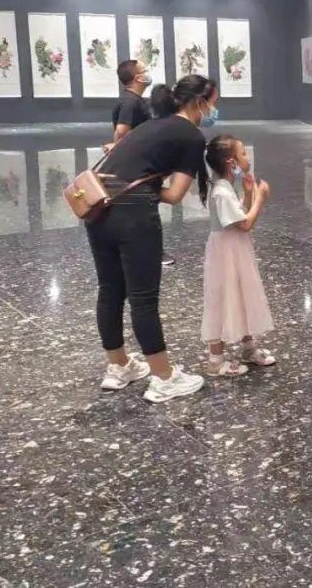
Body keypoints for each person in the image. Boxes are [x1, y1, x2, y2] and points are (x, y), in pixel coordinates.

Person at [86, 74, 219, 403]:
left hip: (98, 208)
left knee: (110, 290)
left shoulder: (150, 125)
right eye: (213, 103)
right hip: (134, 217)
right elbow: (174, 195)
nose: (214, 110)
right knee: (143, 298)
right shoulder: (191, 136)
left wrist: (133, 186)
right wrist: (144, 190)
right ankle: (163, 377)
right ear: (199, 103)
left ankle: (118, 367)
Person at [200, 134, 276, 375]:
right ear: (231, 162)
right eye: (243, 153)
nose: (247, 157)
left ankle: (248, 347)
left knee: (242, 294)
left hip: (235, 251)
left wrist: (248, 193)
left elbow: (239, 215)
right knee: (221, 299)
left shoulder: (225, 188)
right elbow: (244, 224)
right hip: (226, 254)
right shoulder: (221, 192)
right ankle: (215, 360)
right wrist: (260, 199)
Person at [109, 60, 176, 267]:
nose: (147, 73)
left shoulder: (134, 100)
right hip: (137, 167)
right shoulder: (131, 102)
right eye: (143, 71)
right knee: (145, 210)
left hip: (136, 164)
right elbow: (122, 131)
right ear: (137, 78)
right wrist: (120, 150)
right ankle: (154, 253)